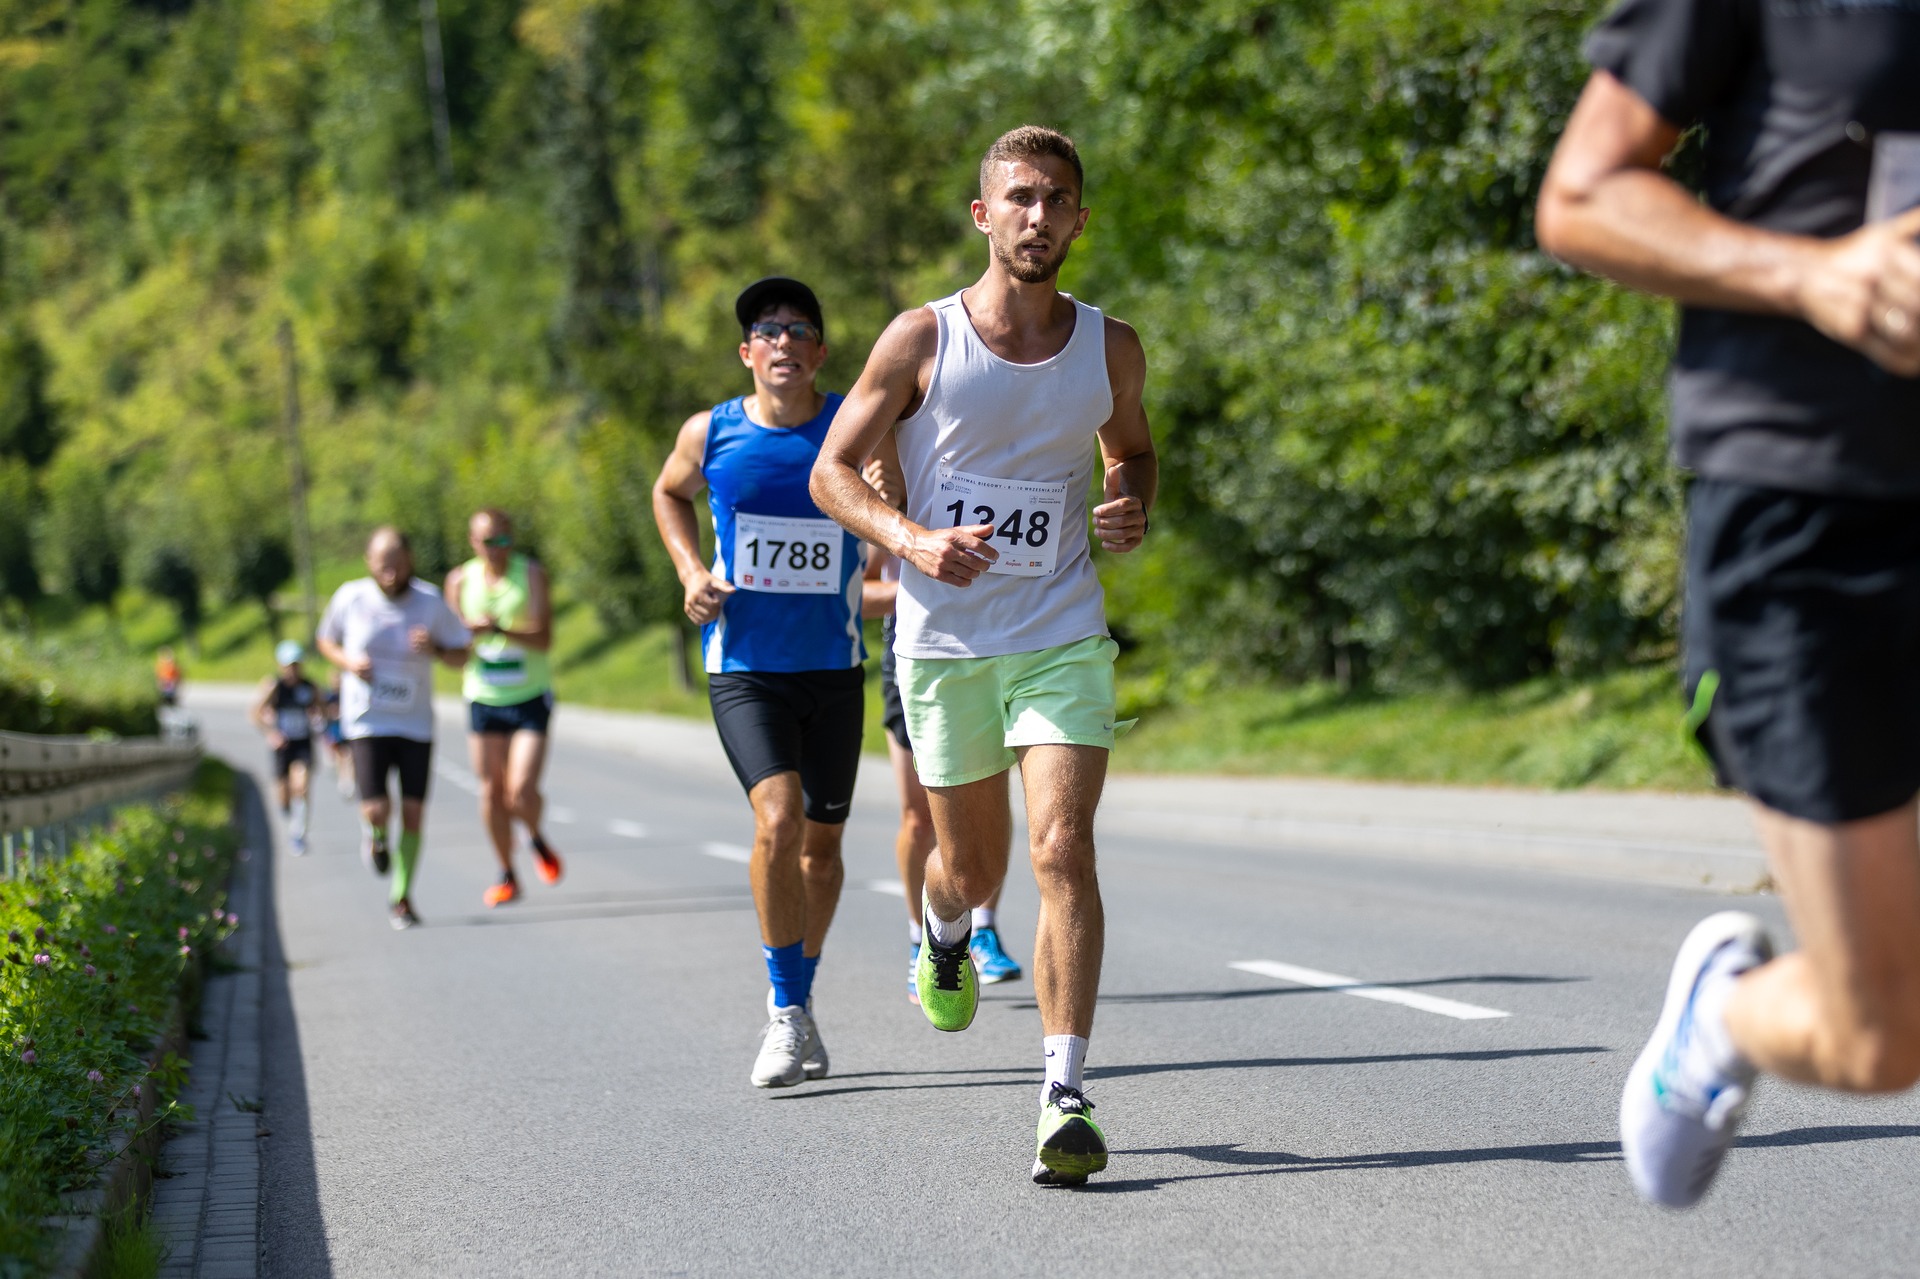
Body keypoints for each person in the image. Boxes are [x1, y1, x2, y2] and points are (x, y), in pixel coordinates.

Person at [1536, 0, 1920, 1208]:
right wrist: (1813, 272)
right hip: (1818, 514)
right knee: (1879, 1037)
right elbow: (1582, 196)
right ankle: (1732, 1014)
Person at [811, 126, 1154, 1185]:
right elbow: (832, 473)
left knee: (1062, 849)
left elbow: (1132, 448)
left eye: (1056, 200)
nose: (1037, 216)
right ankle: (944, 924)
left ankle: (1064, 1092)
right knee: (971, 867)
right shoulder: (921, 339)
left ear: (1080, 218)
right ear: (983, 215)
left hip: (1061, 632)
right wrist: (914, 541)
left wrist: (1130, 501)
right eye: (1019, 198)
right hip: (947, 642)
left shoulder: (1111, 347)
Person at [651, 276, 876, 1090]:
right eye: (769, 330)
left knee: (823, 849)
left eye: (800, 329)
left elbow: (898, 493)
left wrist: (887, 497)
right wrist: (690, 570)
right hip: (744, 667)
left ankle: (800, 999)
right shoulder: (710, 431)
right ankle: (783, 1011)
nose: (785, 341)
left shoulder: (853, 424)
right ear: (747, 353)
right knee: (778, 821)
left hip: (834, 666)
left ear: (821, 352)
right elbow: (668, 493)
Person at [863, 489, 1023, 1003]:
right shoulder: (891, 490)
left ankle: (984, 931)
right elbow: (856, 593)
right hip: (917, 643)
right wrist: (920, 567)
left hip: (997, 632)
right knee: (918, 815)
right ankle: (921, 940)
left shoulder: (995, 479)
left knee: (990, 796)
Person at [314, 528, 471, 930]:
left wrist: (434, 649)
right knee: (377, 808)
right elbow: (325, 640)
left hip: (415, 724)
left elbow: (462, 654)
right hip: (367, 718)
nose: (391, 571)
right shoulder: (351, 597)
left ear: (410, 561)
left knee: (414, 813)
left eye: (398, 562)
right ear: (368, 562)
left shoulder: (429, 601)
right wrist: (349, 663)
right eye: (383, 563)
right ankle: (376, 835)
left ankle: (401, 898)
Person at [444, 509, 563, 908]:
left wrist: (499, 629)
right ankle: (507, 873)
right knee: (491, 792)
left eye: (503, 540)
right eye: (487, 541)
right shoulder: (459, 581)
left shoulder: (531, 574)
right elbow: (454, 652)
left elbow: (545, 639)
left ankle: (534, 836)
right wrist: (455, 641)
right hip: (484, 696)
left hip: (529, 695)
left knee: (520, 791)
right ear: (472, 542)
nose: (496, 549)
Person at [251, 640, 320, 856]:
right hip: (283, 745)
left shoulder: (309, 687)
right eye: (289, 665)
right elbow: (255, 713)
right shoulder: (274, 687)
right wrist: (271, 733)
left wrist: (320, 719)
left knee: (302, 785)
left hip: (302, 742)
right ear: (282, 666)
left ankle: (299, 832)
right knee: (283, 795)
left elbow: (323, 710)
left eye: (297, 665)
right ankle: (288, 811)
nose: (293, 670)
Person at [321, 671, 355, 800]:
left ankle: (350, 780)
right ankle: (342, 778)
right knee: (340, 755)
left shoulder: (347, 694)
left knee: (349, 754)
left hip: (347, 728)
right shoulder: (329, 696)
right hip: (335, 729)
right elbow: (324, 712)